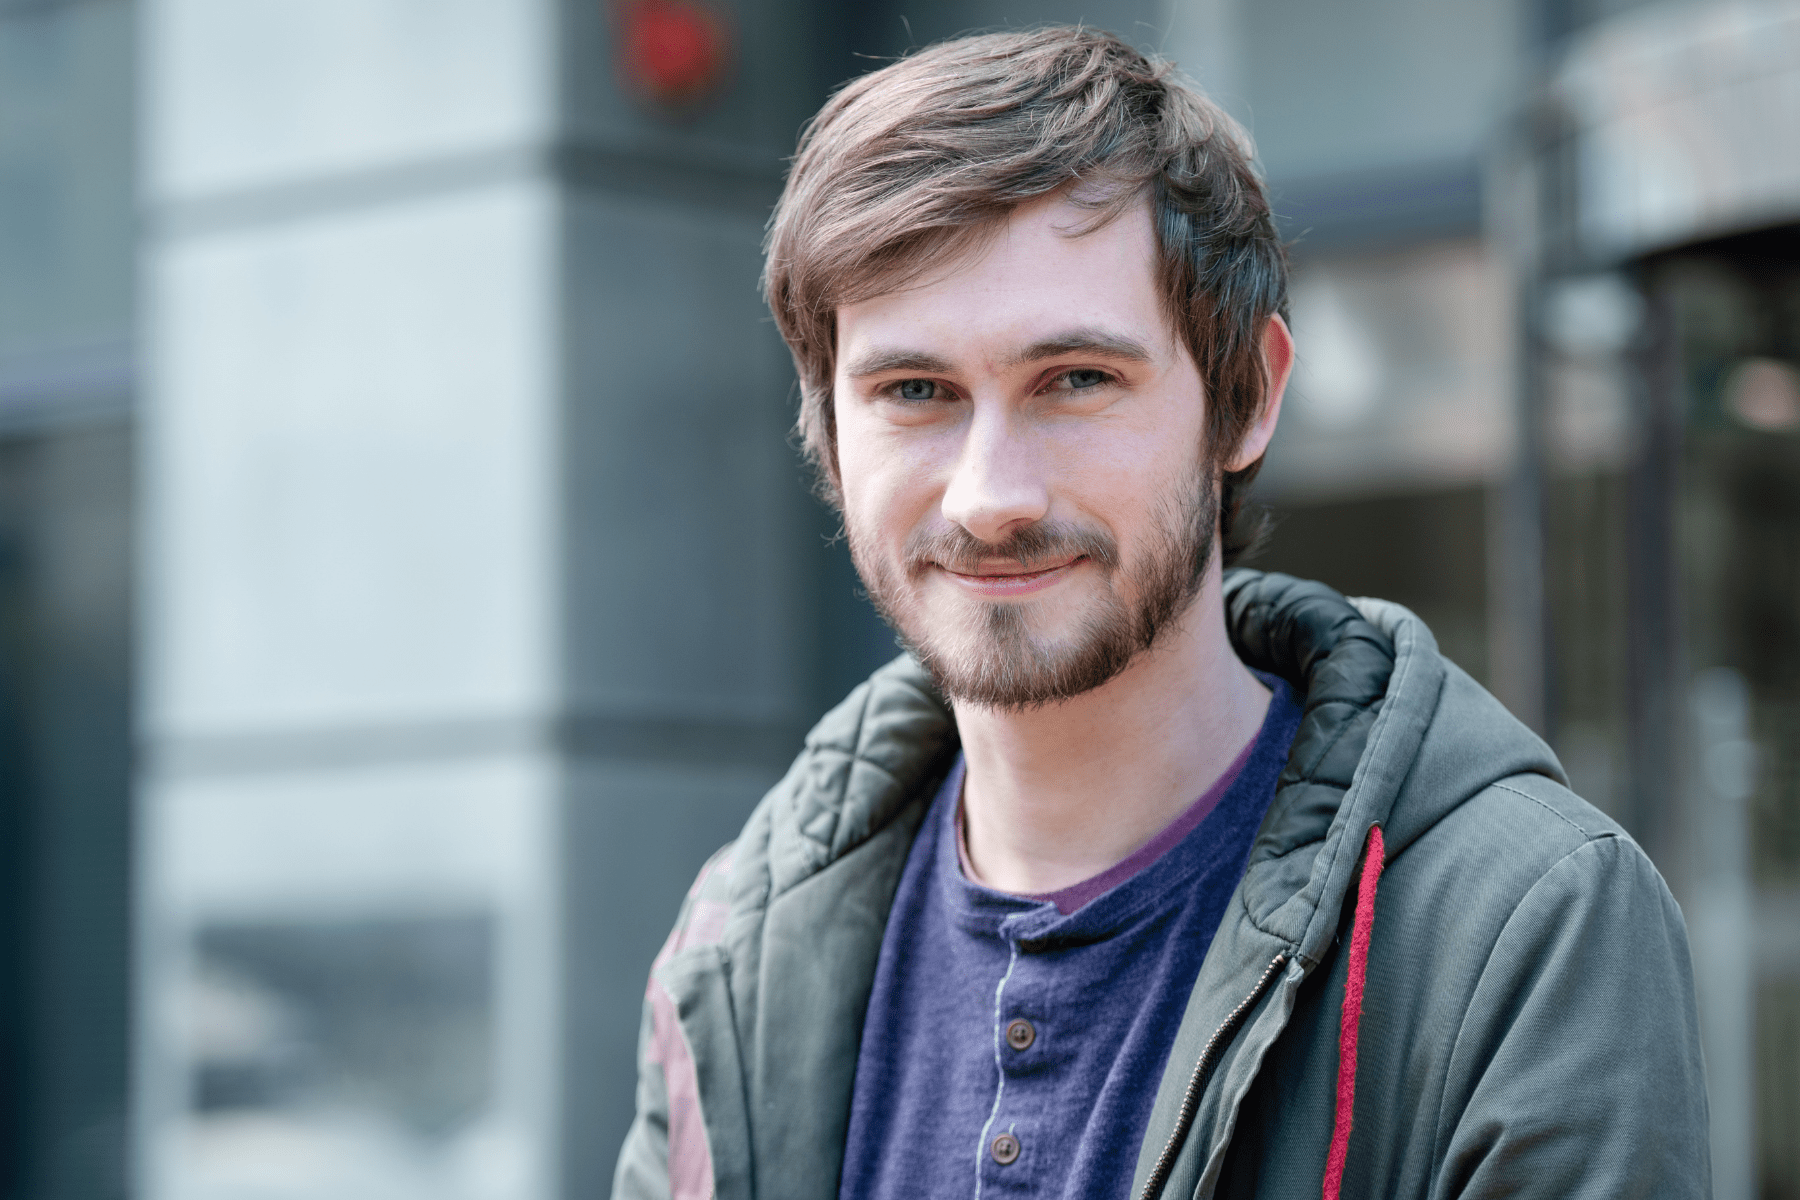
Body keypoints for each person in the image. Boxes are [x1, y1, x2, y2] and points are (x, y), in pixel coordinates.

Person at [612, 26, 1709, 1200]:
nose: (992, 498)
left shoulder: (1519, 931)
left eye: (1076, 380)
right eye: (914, 392)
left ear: (1247, 397)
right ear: (828, 431)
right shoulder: (733, 957)